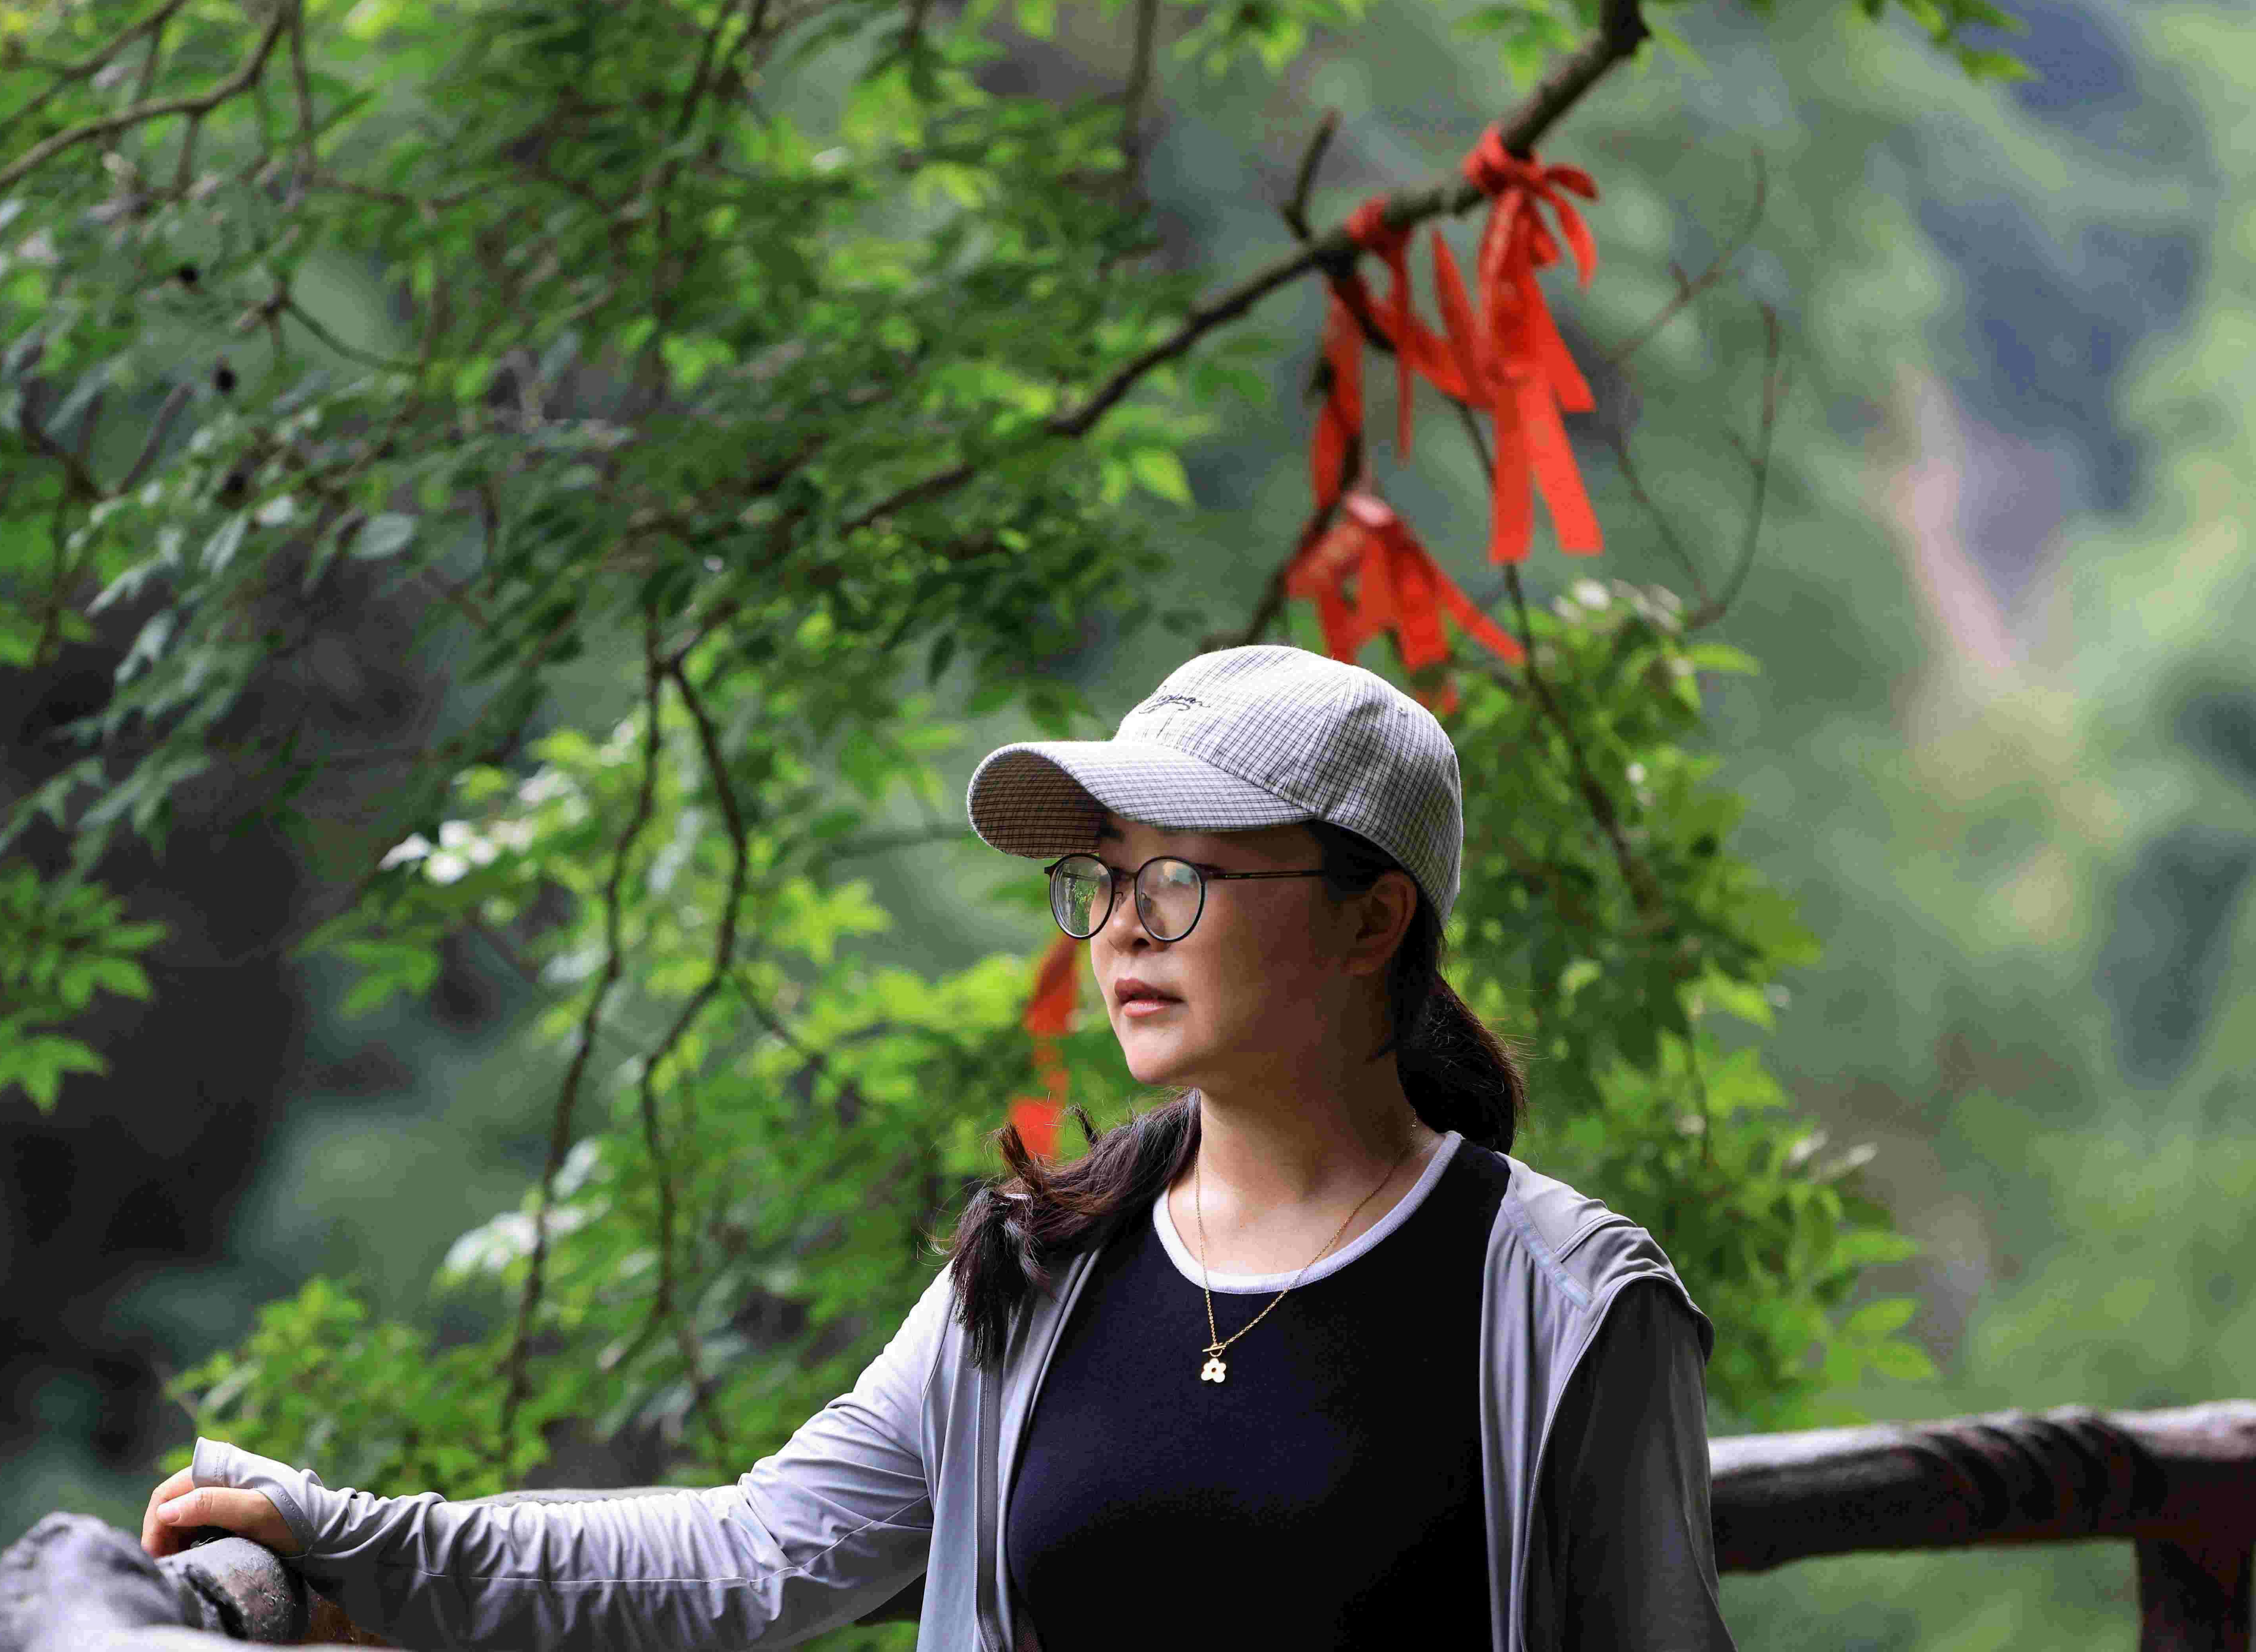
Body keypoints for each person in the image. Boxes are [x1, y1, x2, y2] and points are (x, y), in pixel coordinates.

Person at [139, 645, 1735, 1651]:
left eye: (1174, 880)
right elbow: (746, 1556)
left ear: (1367, 918)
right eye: (1097, 883)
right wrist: (353, 1540)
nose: (1118, 930)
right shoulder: (1043, 1268)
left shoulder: (1564, 1305)